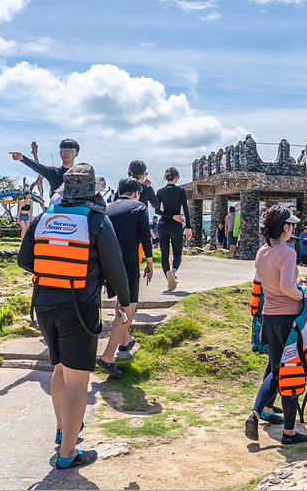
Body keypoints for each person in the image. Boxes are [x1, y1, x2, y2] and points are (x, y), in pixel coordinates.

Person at [18, 164, 131, 469]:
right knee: (78, 380)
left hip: (43, 304)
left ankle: (62, 429)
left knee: (60, 369)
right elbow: (114, 264)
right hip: (79, 307)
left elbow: (24, 259)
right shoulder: (96, 220)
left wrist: (55, 268)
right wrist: (125, 299)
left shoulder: (44, 217)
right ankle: (68, 451)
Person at [244, 205, 307, 445]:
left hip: (269, 318)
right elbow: (286, 288)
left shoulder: (261, 252)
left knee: (276, 371)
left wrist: (295, 282)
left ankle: (255, 412)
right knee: (293, 373)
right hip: (288, 321)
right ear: (285, 228)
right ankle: (290, 432)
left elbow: (273, 284)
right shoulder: (288, 252)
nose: (293, 228)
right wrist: (303, 294)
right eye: (291, 225)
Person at [98, 177, 155, 375]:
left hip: (107, 264)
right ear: (137, 193)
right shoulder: (139, 207)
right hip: (129, 263)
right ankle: (107, 355)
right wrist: (149, 260)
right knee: (129, 309)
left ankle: (124, 341)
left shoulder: (107, 209)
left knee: (121, 303)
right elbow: (145, 234)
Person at [156, 167, 192, 291]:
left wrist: (170, 216)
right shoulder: (181, 191)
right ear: (176, 177)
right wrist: (188, 227)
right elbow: (186, 210)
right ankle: (173, 271)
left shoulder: (160, 191)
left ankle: (169, 279)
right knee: (177, 254)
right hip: (176, 226)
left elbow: (157, 210)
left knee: (164, 255)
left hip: (162, 225)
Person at [9, 139, 80, 196]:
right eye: (63, 150)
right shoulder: (53, 172)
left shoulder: (81, 174)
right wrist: (22, 158)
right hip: (57, 210)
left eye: (70, 151)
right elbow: (38, 167)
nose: (66, 153)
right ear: (60, 152)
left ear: (76, 153)